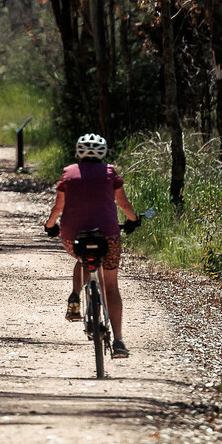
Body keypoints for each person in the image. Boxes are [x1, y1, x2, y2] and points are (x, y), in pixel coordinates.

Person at [43, 132, 140, 359]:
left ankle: (76, 295)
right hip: (108, 237)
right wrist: (133, 220)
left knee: (81, 258)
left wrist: (49, 226)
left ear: (78, 152)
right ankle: (118, 341)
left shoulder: (68, 173)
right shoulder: (110, 172)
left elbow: (58, 208)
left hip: (72, 236)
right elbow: (123, 203)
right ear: (103, 152)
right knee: (112, 287)